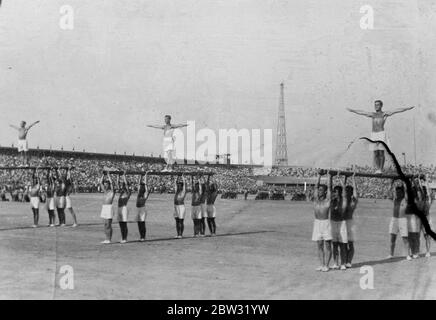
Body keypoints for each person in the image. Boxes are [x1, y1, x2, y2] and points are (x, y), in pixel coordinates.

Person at [347, 101, 414, 173]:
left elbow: (396, 110)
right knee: (375, 152)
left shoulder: (384, 114)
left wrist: (407, 108)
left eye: (377, 105)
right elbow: (362, 112)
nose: (376, 106)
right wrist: (352, 110)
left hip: (381, 134)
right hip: (374, 134)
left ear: (381, 106)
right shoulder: (372, 114)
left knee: (381, 152)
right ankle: (378, 169)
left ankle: (381, 169)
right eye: (375, 105)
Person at [312, 171, 332, 272]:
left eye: (321, 190)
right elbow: (315, 187)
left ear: (325, 192)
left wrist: (328, 176)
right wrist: (319, 175)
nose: (319, 191)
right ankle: (321, 264)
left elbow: (329, 187)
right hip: (317, 223)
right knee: (319, 244)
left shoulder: (327, 200)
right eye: (319, 190)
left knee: (327, 244)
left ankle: (327, 265)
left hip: (325, 223)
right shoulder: (315, 200)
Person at [388, 180, 411, 260]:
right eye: (397, 192)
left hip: (403, 220)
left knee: (405, 238)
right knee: (392, 238)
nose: (398, 194)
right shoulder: (395, 199)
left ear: (402, 192)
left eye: (400, 192)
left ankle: (407, 255)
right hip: (394, 219)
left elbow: (407, 193)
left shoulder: (405, 200)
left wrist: (404, 184)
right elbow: (390, 193)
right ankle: (391, 254)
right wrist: (392, 183)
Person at [330, 174, 348, 271]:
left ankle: (343, 263)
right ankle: (335, 263)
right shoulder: (332, 201)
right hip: (333, 223)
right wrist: (331, 177)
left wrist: (339, 178)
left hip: (341, 224)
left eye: (336, 192)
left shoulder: (343, 200)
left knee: (342, 245)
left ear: (340, 192)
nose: (335, 193)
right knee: (335, 245)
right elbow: (329, 189)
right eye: (334, 192)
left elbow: (344, 190)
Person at [342, 173, 358, 268]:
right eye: (346, 190)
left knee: (350, 244)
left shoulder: (353, 201)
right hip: (342, 223)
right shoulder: (343, 200)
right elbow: (342, 188)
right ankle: (344, 261)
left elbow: (355, 191)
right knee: (343, 244)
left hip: (350, 223)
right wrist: (344, 178)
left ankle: (349, 261)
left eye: (349, 191)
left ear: (351, 192)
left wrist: (353, 178)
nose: (347, 192)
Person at [100, 173, 116, 244]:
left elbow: (112, 184)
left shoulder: (112, 191)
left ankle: (109, 239)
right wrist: (103, 175)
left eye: (107, 184)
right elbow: (100, 182)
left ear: (109, 185)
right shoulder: (105, 191)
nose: (105, 185)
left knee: (108, 224)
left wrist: (109, 176)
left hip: (109, 207)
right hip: (104, 208)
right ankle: (106, 239)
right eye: (105, 184)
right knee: (105, 224)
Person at [136, 173, 151, 241]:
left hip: (142, 209)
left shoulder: (145, 194)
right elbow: (139, 184)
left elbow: (146, 186)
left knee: (142, 223)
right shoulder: (139, 194)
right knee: (139, 224)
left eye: (142, 187)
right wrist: (141, 176)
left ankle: (143, 237)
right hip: (138, 209)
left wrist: (146, 176)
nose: (140, 188)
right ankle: (141, 236)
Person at [420, 178, 433, 258]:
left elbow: (429, 192)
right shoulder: (420, 199)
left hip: (427, 219)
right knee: (416, 235)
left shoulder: (428, 200)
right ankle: (415, 252)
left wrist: (426, 181)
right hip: (420, 219)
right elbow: (420, 190)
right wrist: (418, 180)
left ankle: (428, 251)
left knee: (427, 236)